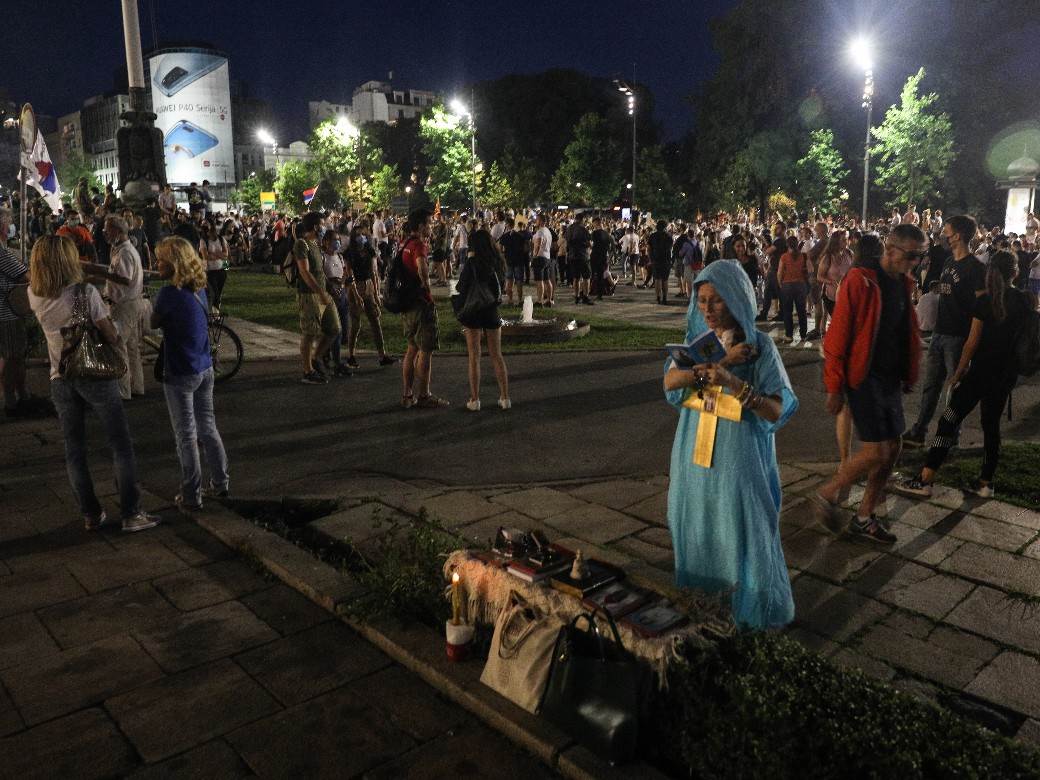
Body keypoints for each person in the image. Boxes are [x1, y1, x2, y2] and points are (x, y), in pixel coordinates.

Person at [663, 259, 798, 629]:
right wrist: (719, 362)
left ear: (737, 299)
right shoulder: (697, 344)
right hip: (693, 455)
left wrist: (735, 383)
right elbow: (670, 383)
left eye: (717, 300)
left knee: (742, 526)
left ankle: (749, 612)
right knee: (695, 523)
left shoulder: (760, 348)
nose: (707, 309)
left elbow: (776, 410)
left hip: (738, 458)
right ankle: (701, 606)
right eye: (702, 300)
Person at [27, 235, 159, 533]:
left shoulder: (34, 293)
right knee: (120, 443)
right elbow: (110, 334)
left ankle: (91, 512)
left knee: (74, 449)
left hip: (60, 376)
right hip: (93, 373)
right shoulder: (85, 294)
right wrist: (115, 327)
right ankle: (131, 512)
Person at [813, 228, 926, 544]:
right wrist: (834, 386)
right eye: (911, 255)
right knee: (876, 451)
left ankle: (864, 517)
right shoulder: (860, 280)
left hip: (889, 378)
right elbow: (838, 337)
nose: (915, 262)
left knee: (893, 449)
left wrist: (909, 372)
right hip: (863, 377)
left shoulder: (902, 283)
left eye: (920, 256)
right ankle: (827, 493)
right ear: (890, 249)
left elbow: (906, 332)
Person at [898, 251, 1030, 499]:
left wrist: (958, 373)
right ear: (1015, 272)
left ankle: (925, 479)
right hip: (1005, 377)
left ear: (991, 272)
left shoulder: (985, 302)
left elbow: (971, 343)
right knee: (991, 427)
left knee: (948, 420)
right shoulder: (1025, 301)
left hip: (980, 374)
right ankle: (986, 483)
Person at [150, 237, 230, 511]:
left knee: (185, 435)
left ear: (174, 263)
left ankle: (192, 495)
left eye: (160, 260)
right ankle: (220, 482)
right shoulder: (199, 288)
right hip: (204, 367)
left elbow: (153, 322)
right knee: (207, 427)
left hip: (181, 371)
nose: (156, 264)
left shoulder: (168, 294)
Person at [903, 215, 986, 446]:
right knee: (930, 387)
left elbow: (982, 307)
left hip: (958, 337)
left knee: (955, 390)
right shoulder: (949, 262)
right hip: (939, 333)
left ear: (957, 236)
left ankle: (950, 437)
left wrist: (971, 342)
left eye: (946, 232)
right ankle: (919, 431)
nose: (943, 235)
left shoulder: (976, 268)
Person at [456, 230, 510, 412]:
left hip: (473, 310)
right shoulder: (497, 262)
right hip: (491, 309)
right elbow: (501, 286)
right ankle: (505, 398)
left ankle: (475, 400)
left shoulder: (471, 263)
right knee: (497, 355)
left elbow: (461, 286)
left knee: (474, 357)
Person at [400, 209, 448, 409]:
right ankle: (424, 395)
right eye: (429, 223)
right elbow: (422, 268)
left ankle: (407, 394)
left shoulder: (405, 244)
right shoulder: (419, 245)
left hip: (408, 304)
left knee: (412, 349)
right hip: (421, 303)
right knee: (426, 351)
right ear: (420, 226)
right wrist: (427, 289)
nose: (431, 227)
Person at [101, 215, 148, 400]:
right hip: (130, 303)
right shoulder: (121, 249)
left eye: (107, 229)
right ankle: (136, 386)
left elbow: (125, 279)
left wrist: (100, 273)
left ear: (118, 231)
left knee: (118, 346)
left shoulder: (126, 252)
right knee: (131, 347)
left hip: (124, 306)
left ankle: (123, 392)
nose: (105, 233)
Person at [292, 211, 340, 384]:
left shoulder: (316, 245)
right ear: (315, 226)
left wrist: (329, 287)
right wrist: (320, 292)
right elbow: (304, 272)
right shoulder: (301, 244)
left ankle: (316, 358)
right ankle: (308, 371)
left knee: (334, 328)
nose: (324, 227)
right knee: (310, 332)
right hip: (309, 295)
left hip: (323, 293)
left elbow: (319, 271)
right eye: (322, 224)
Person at [343, 224, 395, 368]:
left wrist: (377, 293)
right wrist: (355, 294)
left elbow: (374, 272)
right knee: (355, 324)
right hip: (355, 286)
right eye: (358, 235)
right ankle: (351, 356)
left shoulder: (369, 250)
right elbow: (349, 274)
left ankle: (382, 355)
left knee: (375, 320)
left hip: (368, 286)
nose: (361, 237)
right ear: (353, 237)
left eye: (364, 234)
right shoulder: (349, 253)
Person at [0, 207, 32, 417]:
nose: (10, 227)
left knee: (13, 356)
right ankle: (11, 400)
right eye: (8, 223)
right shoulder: (2, 253)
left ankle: (20, 394)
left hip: (6, 312)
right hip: (7, 313)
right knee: (13, 356)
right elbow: (26, 276)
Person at [320, 229, 353, 377]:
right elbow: (321, 277)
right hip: (330, 297)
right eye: (334, 239)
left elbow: (344, 273)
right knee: (335, 331)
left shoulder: (339, 257)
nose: (337, 242)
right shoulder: (323, 257)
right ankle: (336, 362)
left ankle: (326, 354)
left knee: (344, 330)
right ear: (326, 241)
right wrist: (331, 285)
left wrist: (345, 282)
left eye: (338, 240)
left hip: (342, 296)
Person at [777, 235, 809, 343]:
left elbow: (779, 273)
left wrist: (780, 284)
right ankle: (803, 335)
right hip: (800, 285)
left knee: (787, 311)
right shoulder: (803, 256)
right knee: (802, 311)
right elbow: (810, 270)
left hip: (787, 286)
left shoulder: (784, 257)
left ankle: (789, 335)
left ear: (787, 244)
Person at [499, 217, 530, 306]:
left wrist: (504, 257)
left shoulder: (504, 236)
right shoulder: (520, 236)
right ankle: (520, 300)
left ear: (508, 225)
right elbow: (526, 248)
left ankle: (510, 300)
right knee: (519, 281)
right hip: (519, 261)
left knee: (509, 281)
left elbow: (500, 249)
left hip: (508, 261)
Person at [199, 221, 229, 312]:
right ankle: (215, 314)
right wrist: (219, 254)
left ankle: (216, 312)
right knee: (214, 293)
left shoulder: (221, 239)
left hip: (222, 269)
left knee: (219, 294)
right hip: (210, 271)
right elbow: (206, 256)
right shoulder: (203, 240)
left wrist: (213, 254)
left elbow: (226, 255)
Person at [566, 214, 593, 305]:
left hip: (572, 256)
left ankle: (576, 297)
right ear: (582, 219)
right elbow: (589, 243)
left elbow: (567, 241)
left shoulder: (569, 229)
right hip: (583, 255)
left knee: (576, 277)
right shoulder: (583, 229)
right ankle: (585, 296)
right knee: (586, 277)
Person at [532, 213, 554, 307]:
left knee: (539, 281)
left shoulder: (540, 231)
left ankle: (539, 301)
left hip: (540, 257)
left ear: (541, 221)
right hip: (547, 257)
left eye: (537, 219)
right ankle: (549, 300)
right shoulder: (548, 231)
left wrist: (534, 256)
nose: (535, 221)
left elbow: (538, 244)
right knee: (547, 280)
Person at [648, 219, 673, 305]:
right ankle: (665, 297)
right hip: (666, 260)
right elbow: (670, 248)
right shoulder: (668, 236)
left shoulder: (652, 236)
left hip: (656, 260)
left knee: (657, 279)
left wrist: (651, 259)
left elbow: (649, 249)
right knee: (665, 280)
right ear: (665, 227)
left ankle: (658, 297)